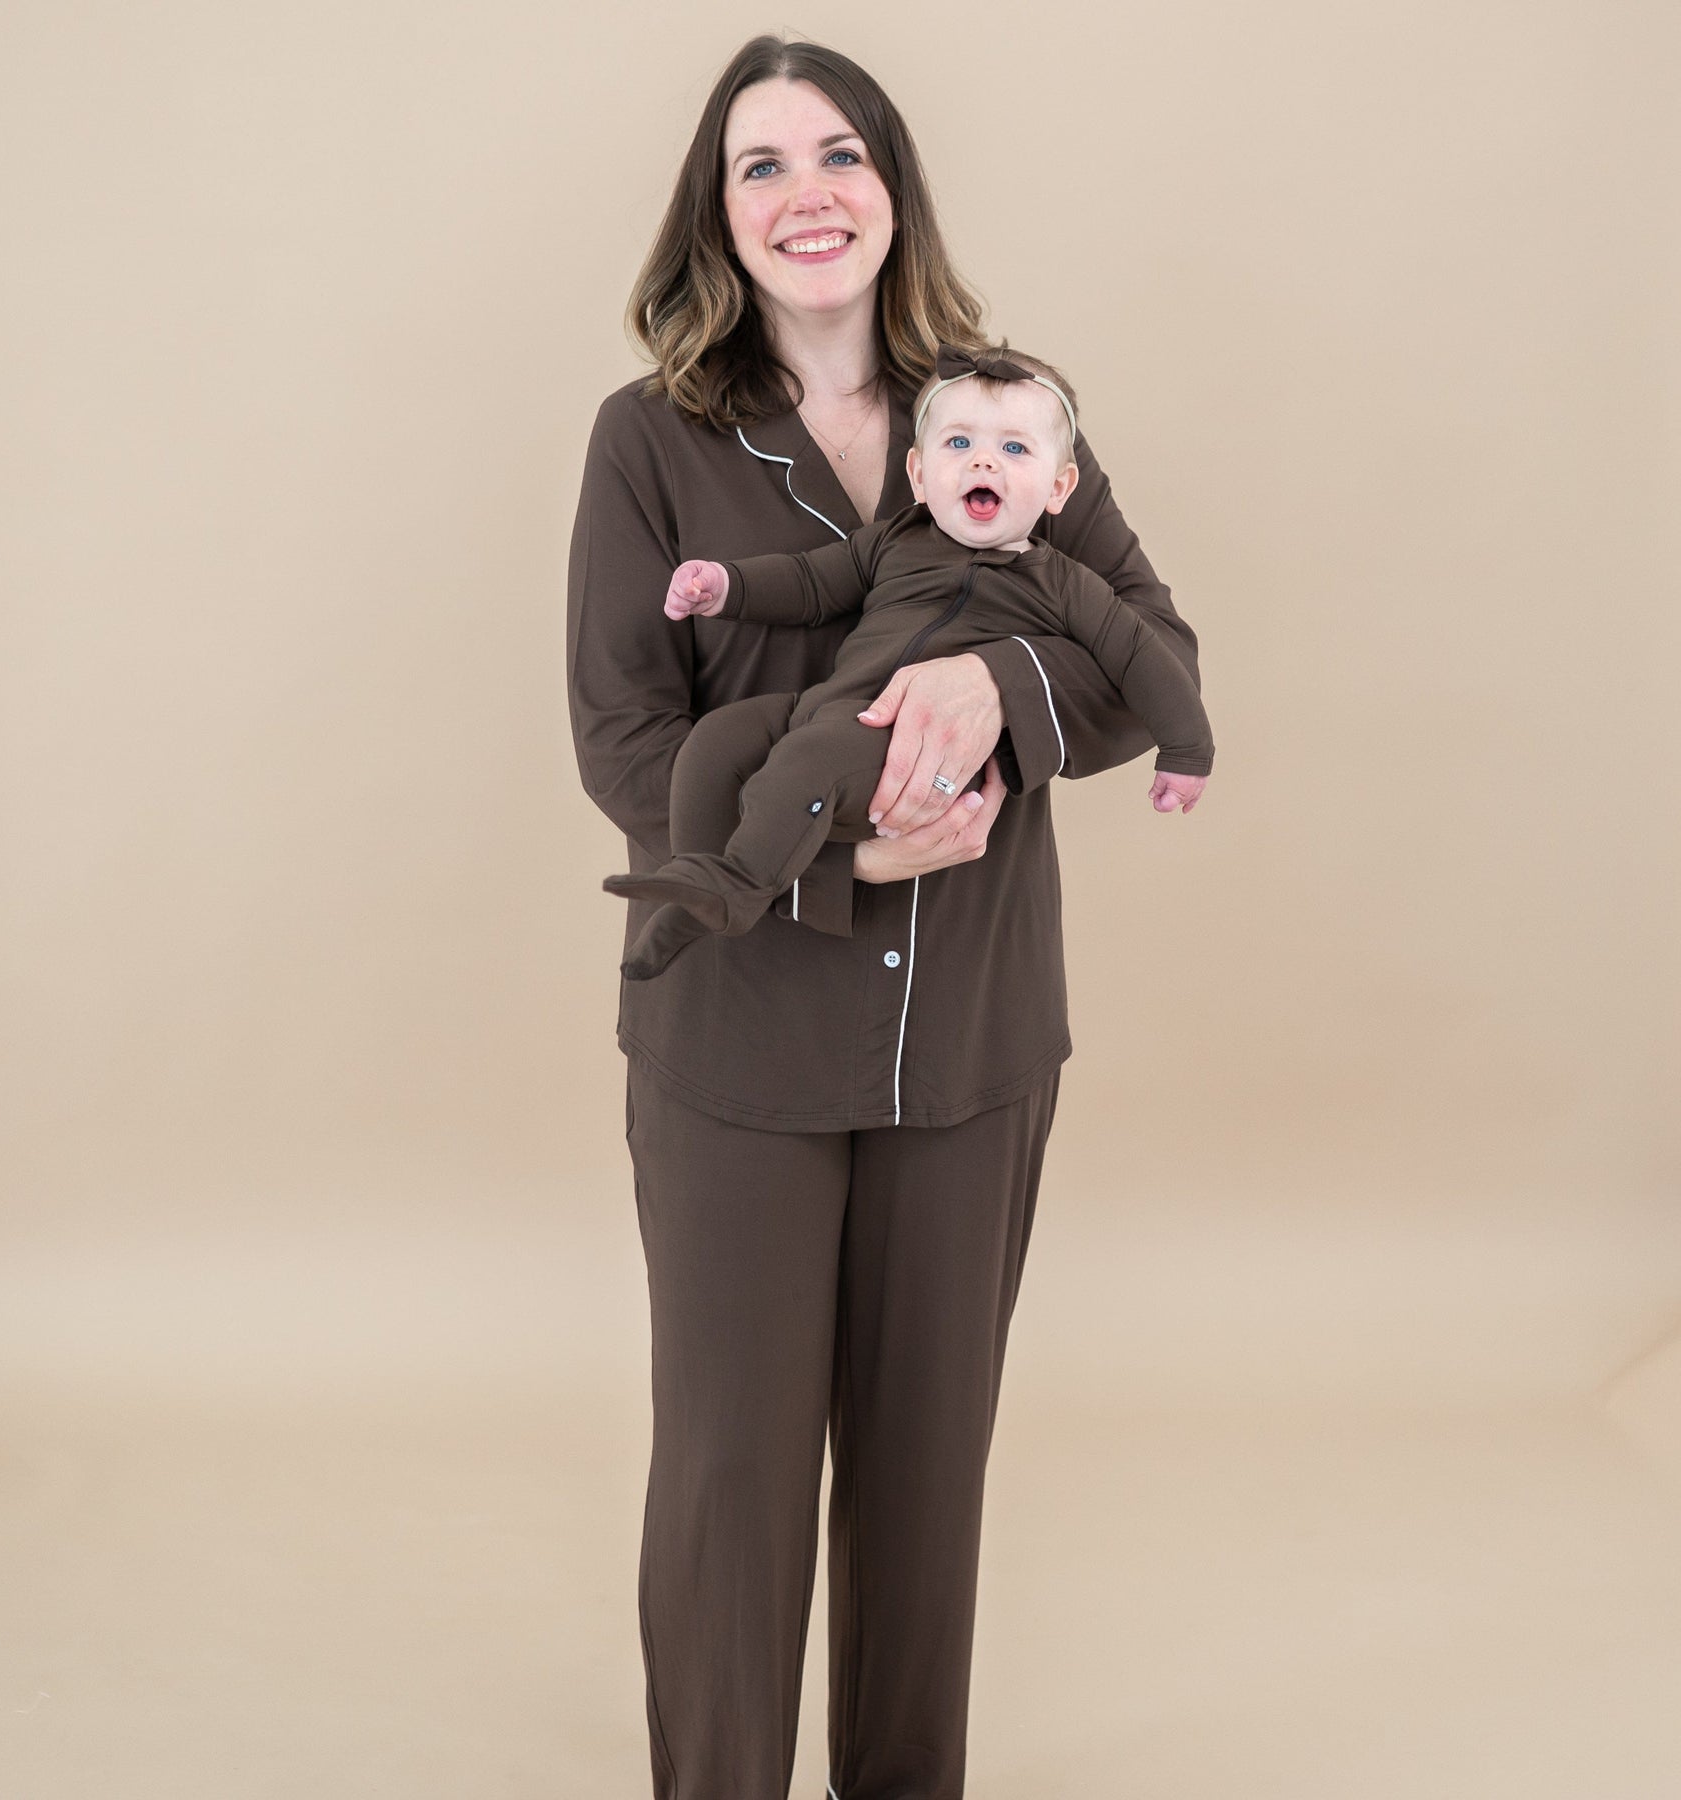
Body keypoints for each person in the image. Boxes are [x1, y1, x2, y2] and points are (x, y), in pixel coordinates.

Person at [565, 33, 1207, 1800]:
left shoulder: (1007, 411)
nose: (807, 194)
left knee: (928, 1481)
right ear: (717, 212)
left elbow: (1152, 658)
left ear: (894, 186)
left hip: (974, 1040)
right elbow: (625, 743)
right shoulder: (648, 442)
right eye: (761, 165)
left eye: (839, 154)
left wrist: (1010, 685)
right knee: (734, 1481)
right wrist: (843, 856)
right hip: (738, 1041)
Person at [601, 343, 1214, 979]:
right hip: (827, 708)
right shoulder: (896, 541)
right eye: (959, 443)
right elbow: (810, 583)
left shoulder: (1065, 585)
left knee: (802, 764)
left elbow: (1142, 658)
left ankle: (742, 885)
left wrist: (1187, 752)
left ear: (1059, 488)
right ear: (919, 475)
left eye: (1014, 448)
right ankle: (697, 884)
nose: (983, 460)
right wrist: (726, 587)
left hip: (892, 744)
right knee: (718, 741)